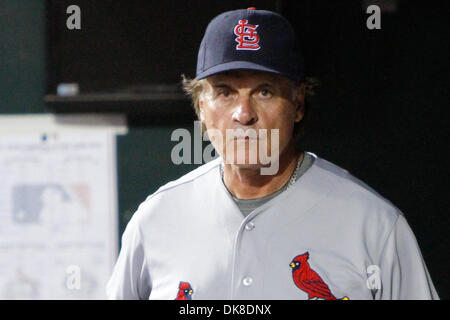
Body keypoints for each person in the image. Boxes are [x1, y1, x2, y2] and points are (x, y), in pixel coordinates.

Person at [106, 8, 438, 300]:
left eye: (265, 91)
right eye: (225, 92)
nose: (243, 113)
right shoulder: (155, 221)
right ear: (201, 107)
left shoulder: (374, 225)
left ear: (297, 104)